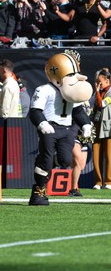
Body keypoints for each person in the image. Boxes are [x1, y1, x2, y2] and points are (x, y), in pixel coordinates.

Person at [28, 51, 93, 205]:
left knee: (65, 160)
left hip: (68, 129)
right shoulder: (44, 90)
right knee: (47, 161)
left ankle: (44, 163)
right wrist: (42, 123)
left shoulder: (70, 89)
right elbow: (35, 111)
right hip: (50, 128)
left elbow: (78, 110)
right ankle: (38, 190)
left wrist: (85, 124)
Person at [91, 68, 111, 190]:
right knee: (96, 154)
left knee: (109, 154)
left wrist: (97, 92)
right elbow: (92, 105)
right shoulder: (97, 92)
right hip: (97, 123)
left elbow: (102, 104)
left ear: (107, 80)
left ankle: (108, 181)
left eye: (100, 81)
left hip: (108, 125)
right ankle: (98, 181)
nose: (98, 84)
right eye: (96, 82)